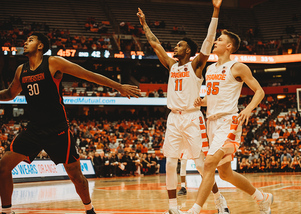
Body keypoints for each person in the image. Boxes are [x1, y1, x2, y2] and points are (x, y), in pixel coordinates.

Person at [0, 33, 140, 214]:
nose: (25, 43)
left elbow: (87, 75)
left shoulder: (53, 63)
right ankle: (7, 211)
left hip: (57, 129)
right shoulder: (21, 70)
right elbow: (10, 94)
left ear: (40, 46)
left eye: (30, 40)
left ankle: (89, 209)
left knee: (76, 176)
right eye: (26, 40)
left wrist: (118, 86)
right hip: (33, 129)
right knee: (3, 167)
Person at [137, 1, 230, 214]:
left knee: (199, 165)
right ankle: (172, 208)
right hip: (173, 118)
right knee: (170, 163)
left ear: (188, 50)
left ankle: (218, 199)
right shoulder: (171, 65)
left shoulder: (196, 65)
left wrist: (215, 11)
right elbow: (155, 44)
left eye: (179, 45)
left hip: (192, 117)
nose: (175, 48)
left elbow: (208, 41)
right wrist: (144, 24)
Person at [175, 29, 273, 214]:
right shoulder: (210, 68)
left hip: (228, 121)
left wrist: (247, 109)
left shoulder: (238, 67)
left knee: (209, 164)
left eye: (219, 40)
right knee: (226, 173)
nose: (215, 42)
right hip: (211, 121)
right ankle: (262, 198)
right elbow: (213, 97)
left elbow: (259, 91)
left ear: (229, 46)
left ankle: (194, 211)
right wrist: (202, 101)